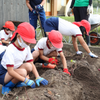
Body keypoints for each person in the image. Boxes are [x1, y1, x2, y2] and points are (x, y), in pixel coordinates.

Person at [0, 22, 48, 95]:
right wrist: (26, 80)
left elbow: (31, 64)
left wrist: (38, 77)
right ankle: (7, 86)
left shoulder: (26, 48)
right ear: (18, 36)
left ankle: (16, 82)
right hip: (4, 74)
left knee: (28, 66)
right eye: (27, 42)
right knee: (23, 72)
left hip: (15, 70)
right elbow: (10, 71)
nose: (28, 44)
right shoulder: (11, 49)